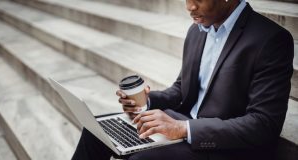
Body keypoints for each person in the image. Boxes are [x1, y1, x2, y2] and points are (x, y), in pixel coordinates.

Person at [72, 0, 294, 159]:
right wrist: (145, 102)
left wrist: (184, 128)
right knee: (97, 131)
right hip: (182, 125)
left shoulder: (271, 40)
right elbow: (182, 89)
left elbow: (263, 124)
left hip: (226, 146)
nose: (190, 7)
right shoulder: (197, 30)